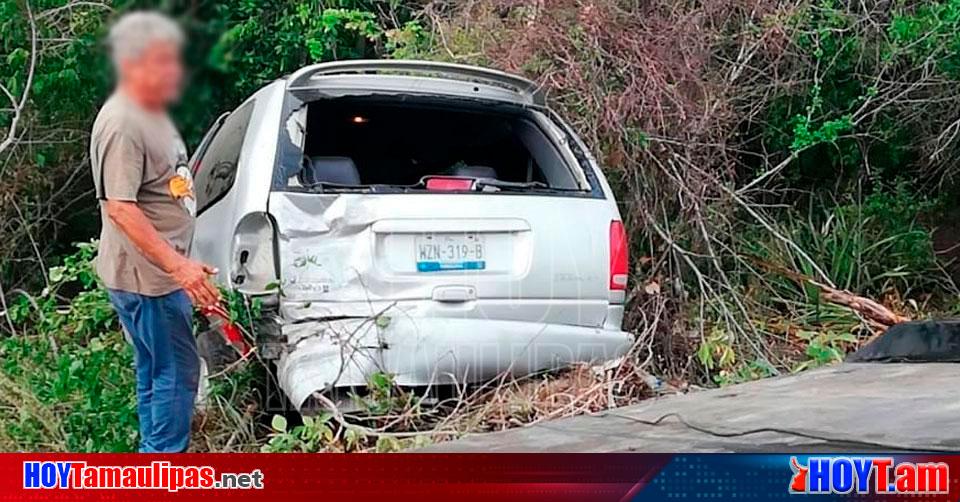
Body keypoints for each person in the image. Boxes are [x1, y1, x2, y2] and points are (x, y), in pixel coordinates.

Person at [90, 11, 219, 453]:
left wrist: (182, 261)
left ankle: (153, 461)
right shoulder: (123, 122)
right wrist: (178, 267)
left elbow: (165, 191)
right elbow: (121, 209)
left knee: (156, 369)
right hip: (148, 281)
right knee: (177, 372)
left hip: (158, 276)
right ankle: (164, 470)